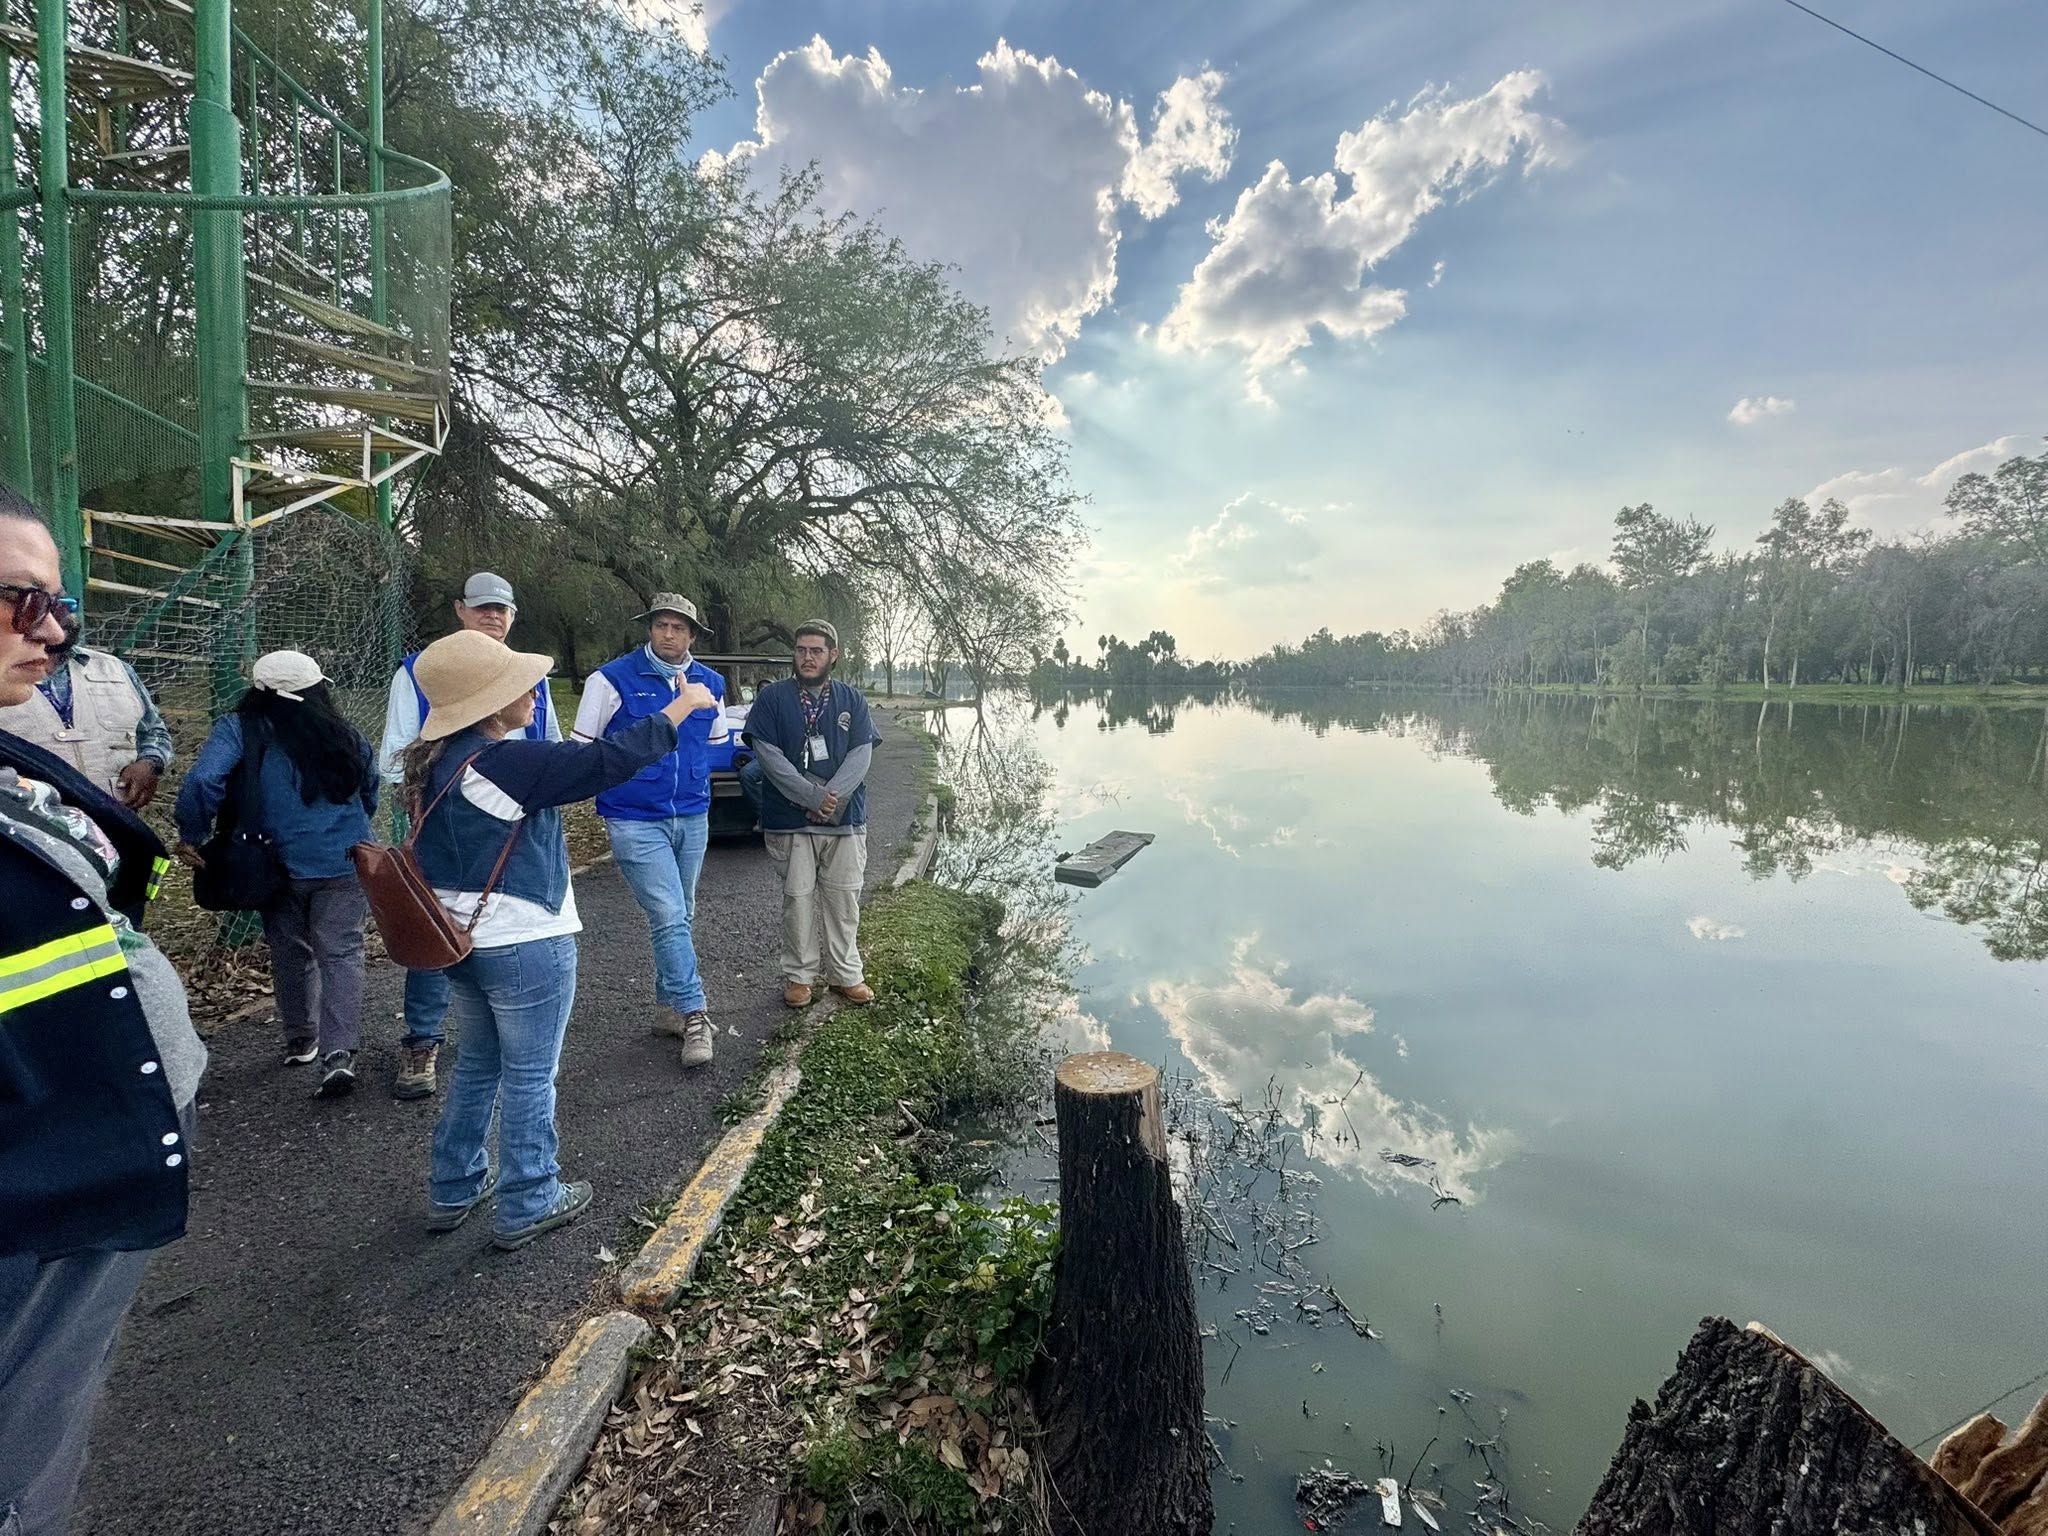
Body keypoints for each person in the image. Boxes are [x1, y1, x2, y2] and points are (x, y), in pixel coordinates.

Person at [0, 494, 206, 1536]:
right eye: (16, 600)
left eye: (56, 602)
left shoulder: (88, 696)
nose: (50, 627)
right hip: (39, 1193)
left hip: (86, 1171)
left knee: (46, 1427)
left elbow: (159, 751)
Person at [403, 628, 716, 1249]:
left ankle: (455, 1184)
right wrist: (680, 707)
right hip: (523, 941)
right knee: (529, 1073)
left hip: (459, 940)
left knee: (479, 1065)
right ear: (492, 703)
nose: (533, 690)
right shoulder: (507, 763)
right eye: (518, 682)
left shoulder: (436, 760)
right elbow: (604, 763)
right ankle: (531, 1195)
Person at [380, 572, 560, 1101]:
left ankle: (510, 1041)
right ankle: (422, 1039)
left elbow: (548, 746)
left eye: (503, 609)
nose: (494, 617)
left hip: (516, 828)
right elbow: (397, 752)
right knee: (439, 926)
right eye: (483, 608)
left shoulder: (532, 674)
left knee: (507, 937)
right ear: (460, 610)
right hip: (450, 825)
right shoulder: (419, 672)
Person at [175, 651, 378, 1097]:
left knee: (289, 949)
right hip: (344, 857)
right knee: (341, 952)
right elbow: (371, 787)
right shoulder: (343, 732)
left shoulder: (240, 728)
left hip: (273, 861)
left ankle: (301, 1036)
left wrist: (193, 831)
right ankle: (339, 1053)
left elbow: (202, 782)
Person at [571, 593, 728, 1069]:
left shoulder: (712, 682)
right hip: (634, 816)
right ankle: (695, 1013)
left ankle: (667, 1009)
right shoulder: (611, 679)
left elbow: (717, 744)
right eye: (661, 625)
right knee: (667, 912)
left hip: (693, 814)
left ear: (692, 636)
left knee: (683, 912)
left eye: (679, 628)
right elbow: (584, 748)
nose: (668, 634)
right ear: (649, 629)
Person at [743, 620, 883, 1008]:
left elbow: (861, 753)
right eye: (801, 650)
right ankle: (800, 976)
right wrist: (810, 796)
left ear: (833, 655)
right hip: (789, 819)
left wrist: (832, 799)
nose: (807, 657)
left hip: (846, 819)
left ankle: (845, 974)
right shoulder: (772, 698)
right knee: (798, 899)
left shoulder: (852, 700)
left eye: (816, 651)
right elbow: (767, 756)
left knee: (843, 900)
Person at [0, 610, 175, 809]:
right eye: (44, 604)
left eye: (63, 601)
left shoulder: (115, 668)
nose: (61, 612)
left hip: (115, 821)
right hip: (29, 829)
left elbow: (153, 730)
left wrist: (150, 763)